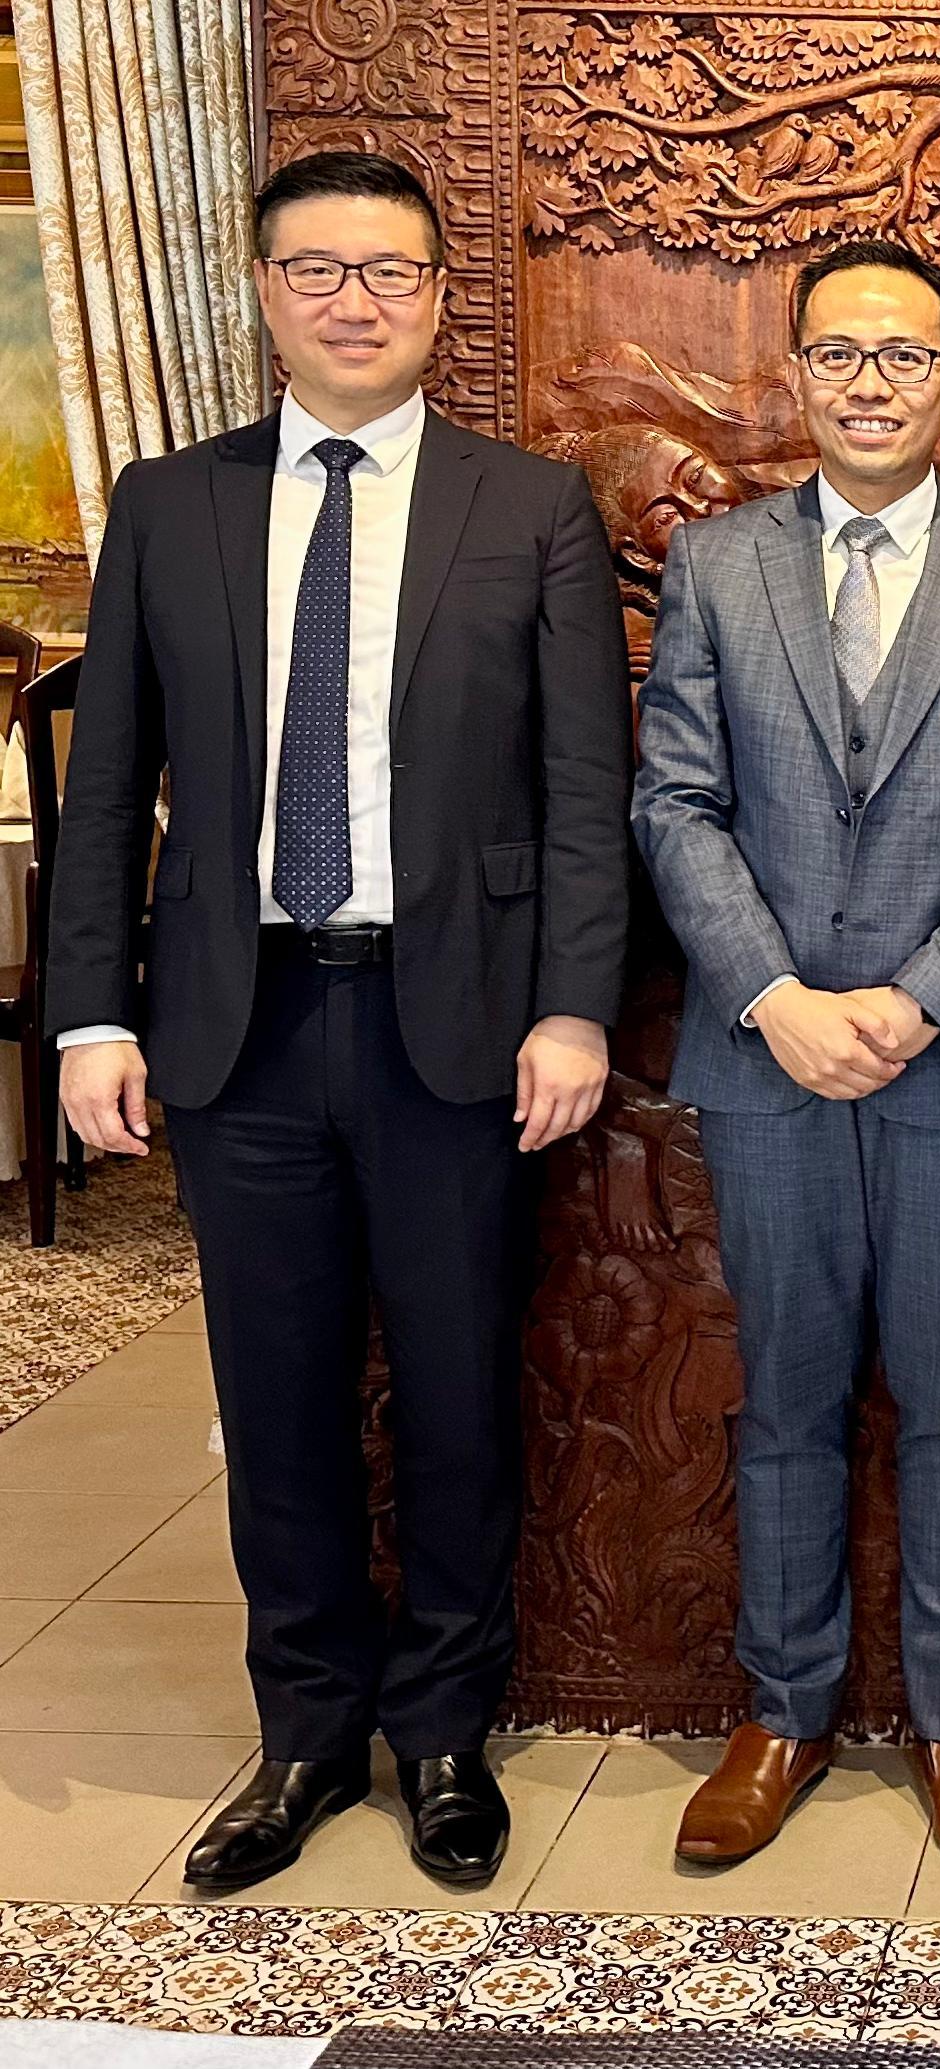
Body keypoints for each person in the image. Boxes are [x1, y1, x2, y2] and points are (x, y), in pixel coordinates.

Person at [49, 151, 631, 1890]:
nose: (354, 299)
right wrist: (92, 1015)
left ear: (439, 297)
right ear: (261, 292)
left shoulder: (530, 504)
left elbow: (585, 793)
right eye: (317, 271)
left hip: (457, 1026)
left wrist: (575, 1008)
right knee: (276, 1392)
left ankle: (446, 1731)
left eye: (388, 271)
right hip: (242, 1025)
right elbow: (111, 797)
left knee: (456, 1390)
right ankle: (303, 1729)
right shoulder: (172, 504)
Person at [633, 239, 940, 1871]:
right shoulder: (716, 565)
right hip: (766, 1059)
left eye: (904, 357)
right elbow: (672, 800)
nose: (872, 383)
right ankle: (783, 1709)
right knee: (787, 1396)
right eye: (841, 356)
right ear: (797, 377)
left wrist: (923, 996)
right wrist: (774, 991)